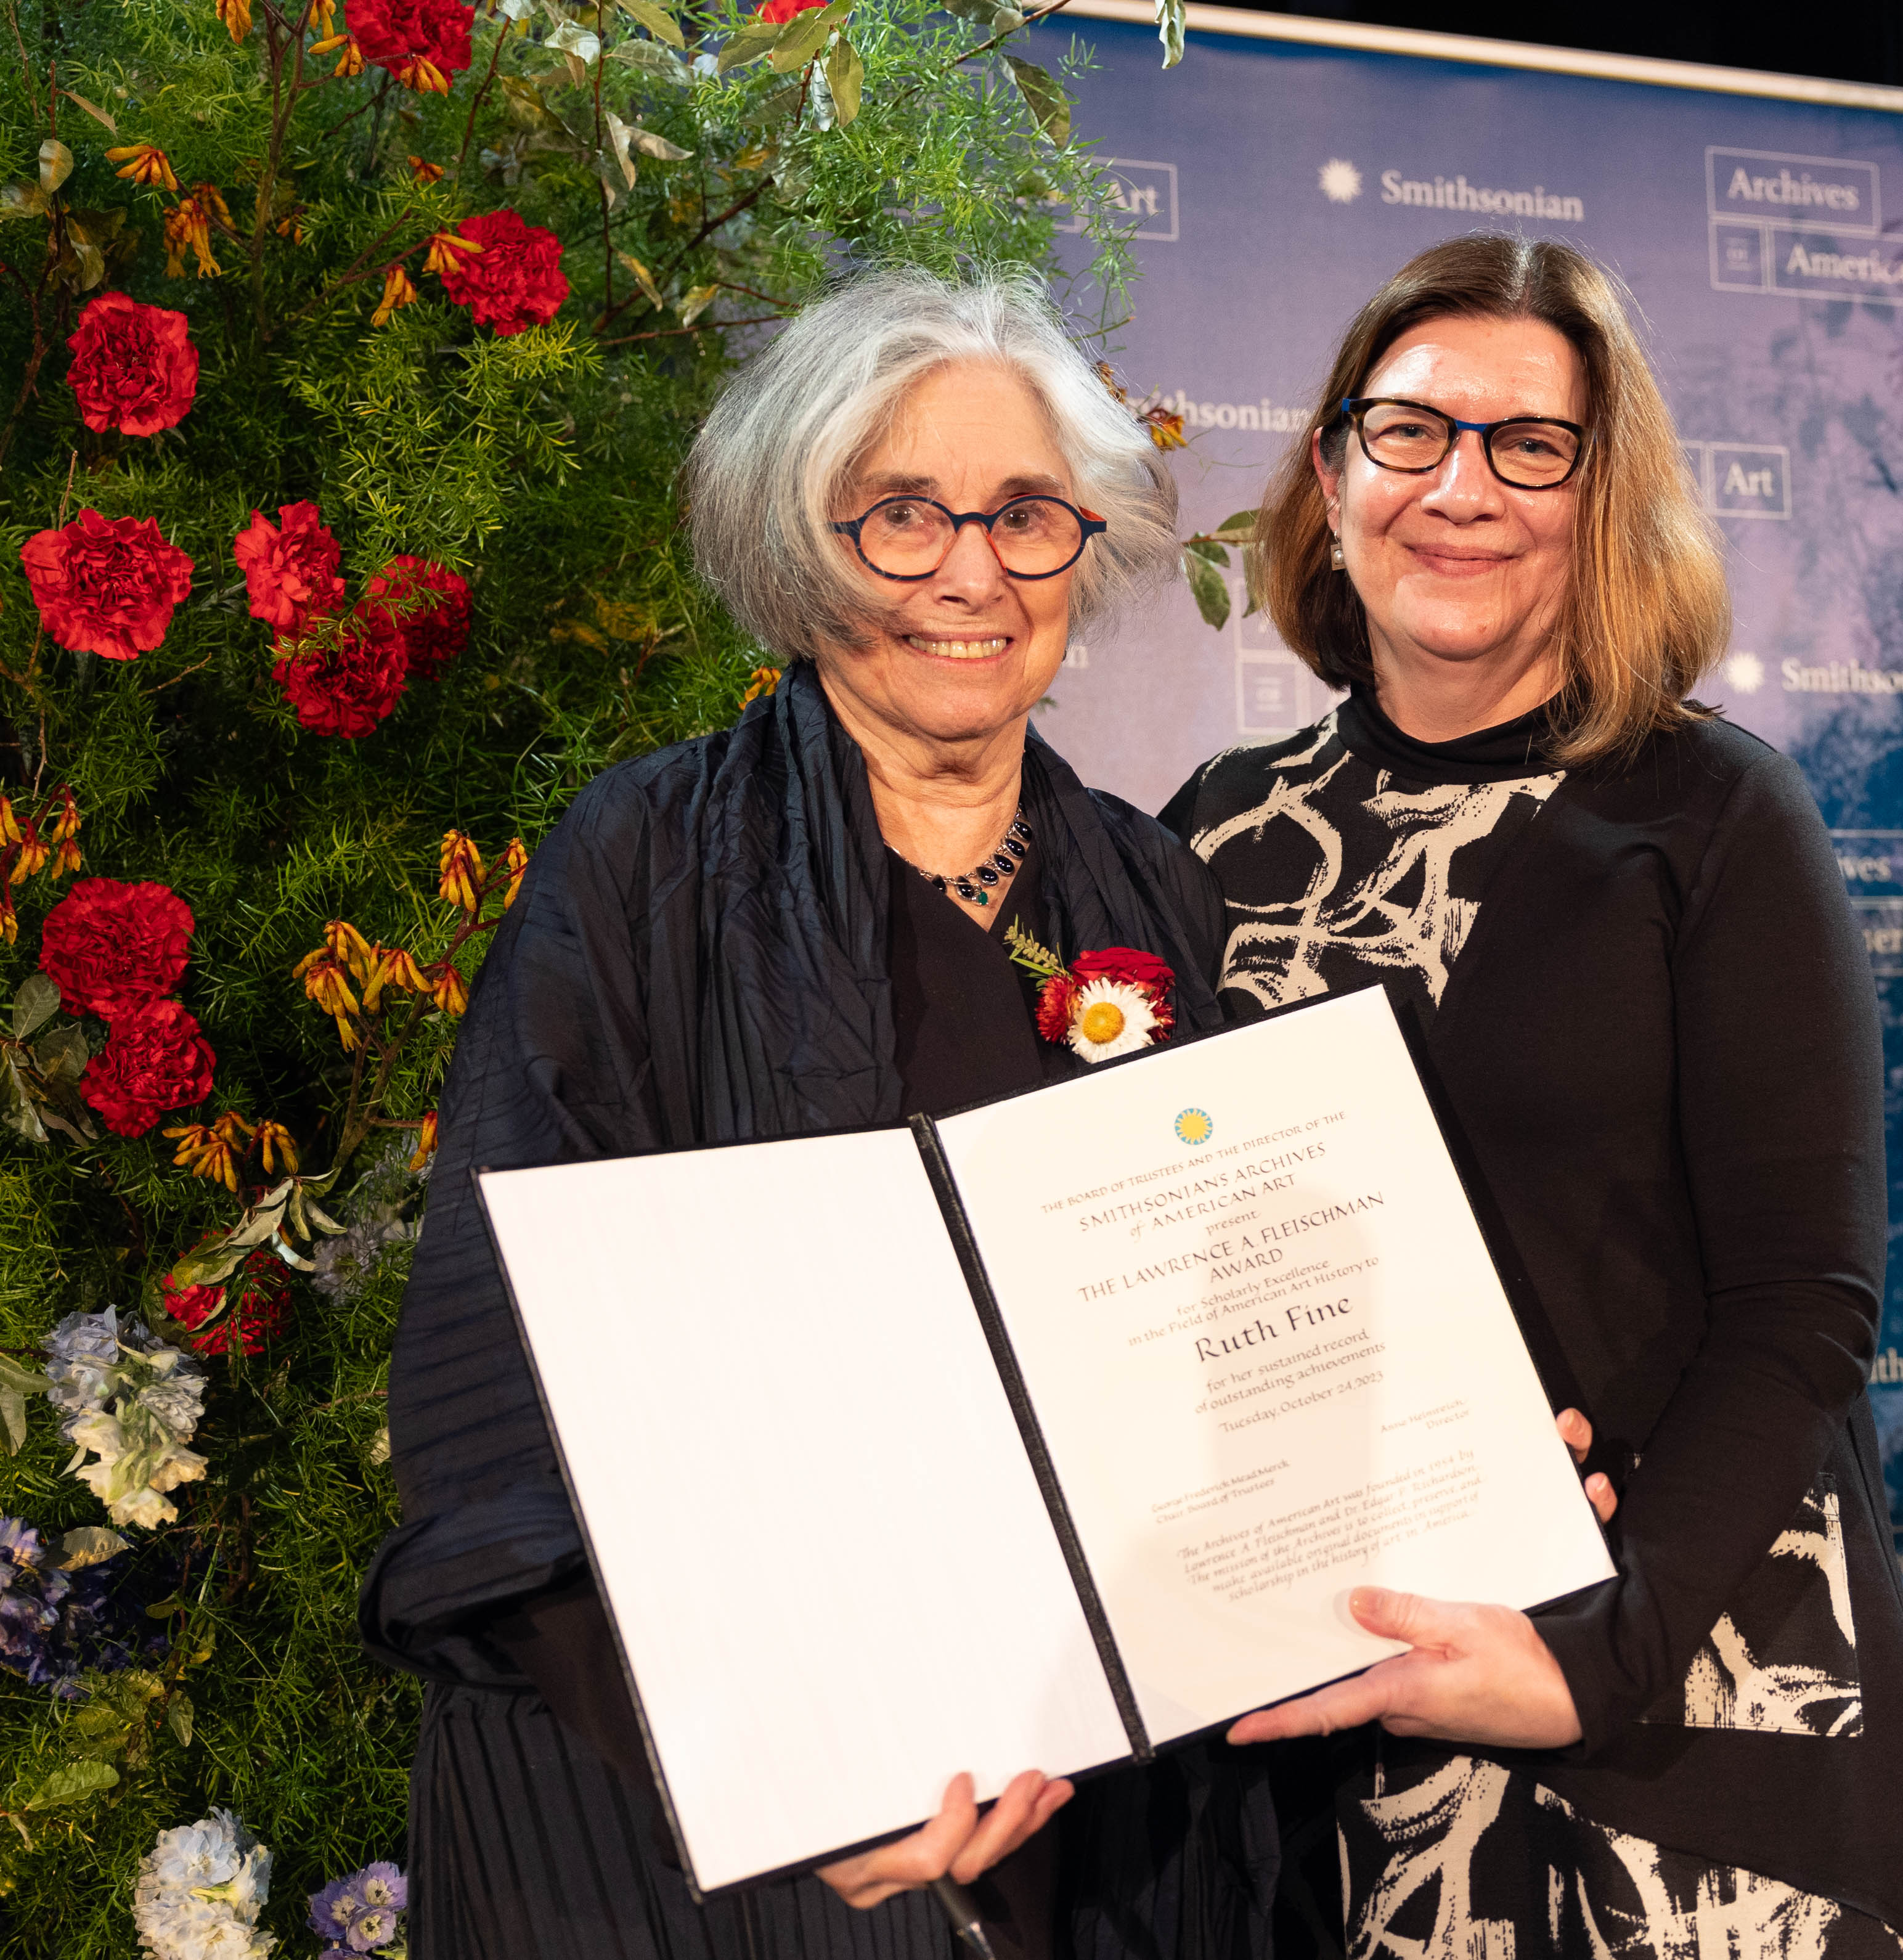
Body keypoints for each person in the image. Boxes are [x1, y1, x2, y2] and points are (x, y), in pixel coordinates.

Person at [359, 269, 1269, 1960]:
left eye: (1022, 514)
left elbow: (1222, 1340)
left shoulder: (1152, 887)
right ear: (798, 544)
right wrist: (790, 1759)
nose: (971, 573)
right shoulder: (640, 863)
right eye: (900, 517)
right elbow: (501, 1369)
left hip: (1092, 1825)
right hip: (712, 1833)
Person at [1160, 235, 1903, 1960]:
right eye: (1409, 432)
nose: (1460, 487)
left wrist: (1590, 1648)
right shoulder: (1210, 832)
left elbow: (1800, 1309)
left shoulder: (1712, 815)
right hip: (1341, 1714)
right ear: (1330, 470)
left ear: (1600, 494)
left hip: (1680, 1710)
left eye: (1528, 444)